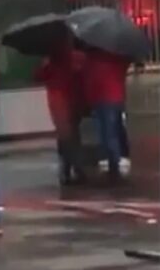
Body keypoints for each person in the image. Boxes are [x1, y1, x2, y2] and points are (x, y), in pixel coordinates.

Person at [35, 34, 87, 185]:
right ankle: (76, 168)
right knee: (74, 136)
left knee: (65, 137)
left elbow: (38, 76)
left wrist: (45, 65)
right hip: (75, 101)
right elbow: (84, 77)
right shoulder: (78, 58)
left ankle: (68, 169)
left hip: (59, 103)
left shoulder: (51, 62)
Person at [83, 48, 131, 183]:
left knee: (106, 134)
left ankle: (113, 163)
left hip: (101, 98)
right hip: (115, 97)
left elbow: (89, 79)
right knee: (112, 132)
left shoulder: (92, 59)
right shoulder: (118, 57)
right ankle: (114, 161)